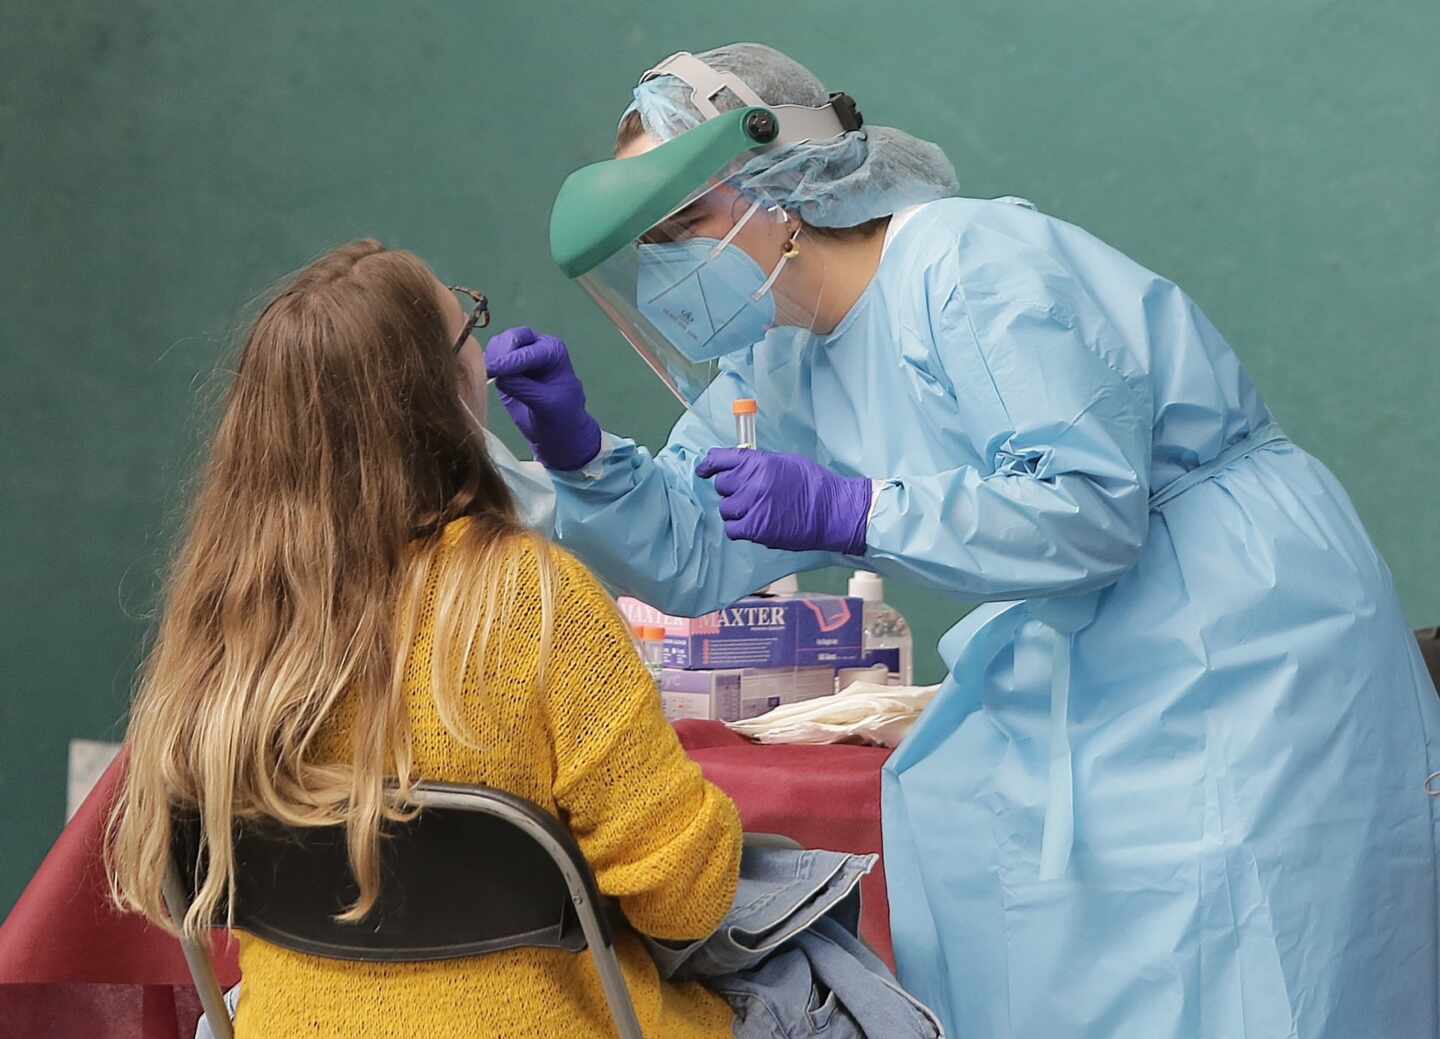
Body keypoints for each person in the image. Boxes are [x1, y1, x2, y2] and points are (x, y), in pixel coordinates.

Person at [482, 42, 1440, 1039]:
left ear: (780, 183)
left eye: (683, 224)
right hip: (1107, 654)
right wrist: (584, 454)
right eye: (651, 245)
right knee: (1025, 908)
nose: (670, 267)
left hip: (1240, 636)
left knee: (1254, 963)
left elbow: (1090, 509)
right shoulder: (784, 348)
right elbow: (700, 551)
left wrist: (855, 512)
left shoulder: (971, 266)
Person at [104, 241, 744, 1038]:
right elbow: (685, 898)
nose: (483, 345)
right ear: (445, 389)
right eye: (469, 325)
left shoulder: (222, 623)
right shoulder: (538, 602)